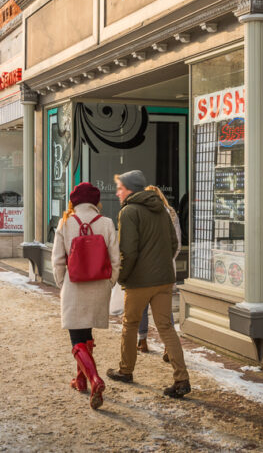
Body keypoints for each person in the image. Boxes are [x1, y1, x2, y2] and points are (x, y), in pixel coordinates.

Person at [106, 170, 191, 399]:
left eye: (120, 188)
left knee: (130, 324)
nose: (117, 192)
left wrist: (122, 277)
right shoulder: (163, 210)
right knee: (166, 327)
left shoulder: (129, 212)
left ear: (131, 189)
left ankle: (126, 370)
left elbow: (128, 251)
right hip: (164, 279)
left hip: (140, 281)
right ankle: (181, 379)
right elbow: (174, 243)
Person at [51, 182, 120, 410]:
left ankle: (94, 379)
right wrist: (109, 283)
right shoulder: (107, 223)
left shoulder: (65, 222)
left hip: (75, 285)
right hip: (99, 286)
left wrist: (63, 284)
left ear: (74, 201)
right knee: (86, 334)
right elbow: (115, 259)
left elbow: (57, 260)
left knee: (76, 338)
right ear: (95, 201)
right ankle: (80, 380)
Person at [137, 185, 180, 358]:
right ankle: (168, 346)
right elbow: (176, 243)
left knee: (142, 305)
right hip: (166, 269)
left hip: (145, 269)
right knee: (165, 308)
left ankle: (142, 340)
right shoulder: (171, 214)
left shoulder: (141, 214)